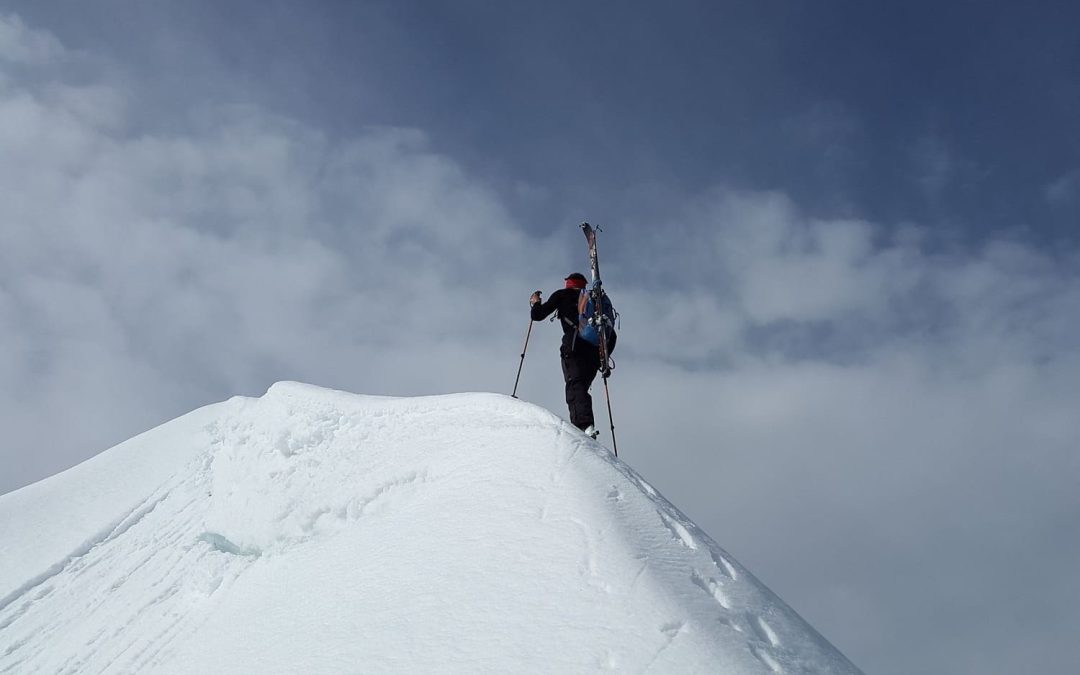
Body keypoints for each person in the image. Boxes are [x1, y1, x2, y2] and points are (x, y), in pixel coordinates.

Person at [529, 272, 615, 439]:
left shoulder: (562, 294)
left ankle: (584, 427)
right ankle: (586, 424)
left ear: (568, 283)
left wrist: (535, 303)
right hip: (595, 352)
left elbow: (537, 316)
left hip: (574, 345)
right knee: (581, 386)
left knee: (575, 385)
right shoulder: (593, 300)